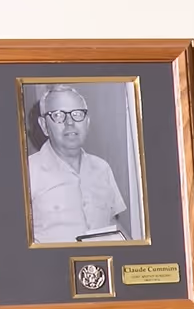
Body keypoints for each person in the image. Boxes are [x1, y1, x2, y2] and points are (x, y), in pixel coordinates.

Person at [27, 84, 130, 244]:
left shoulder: (102, 168)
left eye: (77, 114)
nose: (70, 122)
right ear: (44, 125)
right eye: (58, 115)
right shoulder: (27, 172)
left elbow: (111, 223)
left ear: (87, 122)